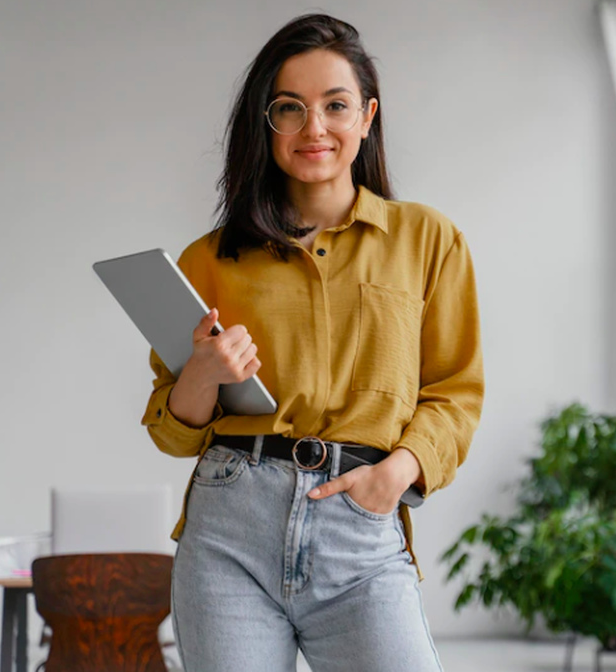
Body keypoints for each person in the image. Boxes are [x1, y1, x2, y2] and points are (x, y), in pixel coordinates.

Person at [140, 13, 483, 672]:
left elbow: (454, 393)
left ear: (367, 115)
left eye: (335, 105)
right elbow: (173, 430)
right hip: (229, 531)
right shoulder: (210, 260)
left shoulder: (428, 241)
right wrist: (202, 378)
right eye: (289, 109)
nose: (314, 128)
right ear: (264, 124)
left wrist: (398, 473)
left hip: (360, 529)